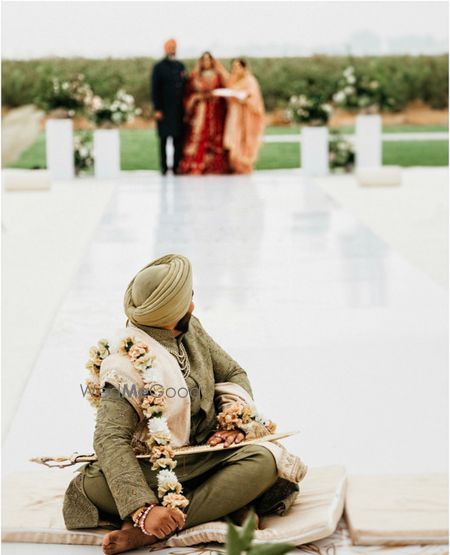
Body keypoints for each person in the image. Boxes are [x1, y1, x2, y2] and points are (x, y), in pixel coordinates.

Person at [62, 254, 307, 555]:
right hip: (150, 467)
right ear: (175, 309)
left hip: (205, 455)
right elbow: (109, 439)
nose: (193, 304)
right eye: (188, 298)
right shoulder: (123, 364)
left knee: (265, 460)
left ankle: (153, 532)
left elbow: (232, 373)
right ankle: (185, 514)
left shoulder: (194, 330)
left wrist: (234, 422)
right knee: (97, 485)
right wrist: (142, 507)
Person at [178, 52, 228, 175]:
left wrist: (216, 96)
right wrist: (197, 98)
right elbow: (188, 93)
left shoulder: (219, 76)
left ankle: (214, 166)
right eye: (204, 60)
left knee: (214, 136)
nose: (206, 62)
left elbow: (224, 92)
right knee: (198, 136)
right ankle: (196, 164)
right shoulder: (195, 76)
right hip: (200, 110)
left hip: (215, 110)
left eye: (208, 60)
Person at [217, 58, 265, 174]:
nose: (235, 70)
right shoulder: (233, 80)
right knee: (233, 139)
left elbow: (254, 99)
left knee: (243, 139)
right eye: (234, 67)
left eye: (238, 67)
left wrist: (244, 99)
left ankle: (244, 166)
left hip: (245, 115)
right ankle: (234, 166)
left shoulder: (250, 81)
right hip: (234, 114)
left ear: (244, 68)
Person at [151, 39, 187, 175]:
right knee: (164, 139)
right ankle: (164, 167)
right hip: (164, 110)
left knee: (178, 139)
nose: (173, 49)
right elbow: (155, 89)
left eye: (174, 47)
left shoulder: (180, 66)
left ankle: (177, 166)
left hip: (178, 110)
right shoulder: (159, 67)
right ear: (165, 49)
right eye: (170, 47)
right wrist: (157, 109)